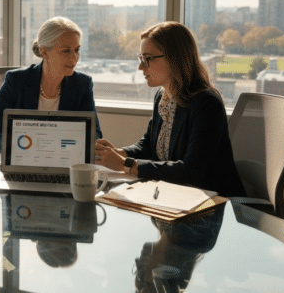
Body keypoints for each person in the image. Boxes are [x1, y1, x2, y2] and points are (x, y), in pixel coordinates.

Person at [96, 22, 245, 197]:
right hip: (175, 197)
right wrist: (118, 154)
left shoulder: (206, 104)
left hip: (212, 204)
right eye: (140, 58)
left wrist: (125, 164)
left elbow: (191, 171)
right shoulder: (163, 97)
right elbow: (149, 146)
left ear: (175, 59)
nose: (141, 67)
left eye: (148, 58)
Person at [0, 16, 102, 152]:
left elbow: (94, 134)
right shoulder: (17, 80)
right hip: (23, 159)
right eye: (66, 51)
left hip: (62, 161)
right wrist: (11, 148)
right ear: (45, 52)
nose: (74, 58)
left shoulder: (82, 84)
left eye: (76, 50)